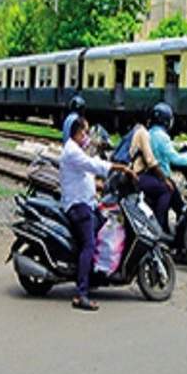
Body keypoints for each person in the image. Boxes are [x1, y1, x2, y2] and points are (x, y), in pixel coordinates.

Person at [60, 116, 134, 312]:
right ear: (77, 132)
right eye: (85, 132)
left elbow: (90, 167)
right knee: (89, 244)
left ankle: (91, 274)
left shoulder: (75, 149)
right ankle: (81, 294)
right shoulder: (72, 152)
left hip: (86, 203)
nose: (87, 136)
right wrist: (121, 168)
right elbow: (93, 165)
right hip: (78, 206)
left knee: (102, 223)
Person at [148, 103, 187, 233]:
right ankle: (166, 229)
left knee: (175, 202)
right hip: (161, 176)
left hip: (152, 175)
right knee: (176, 202)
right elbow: (174, 158)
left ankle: (167, 231)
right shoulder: (162, 137)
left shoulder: (150, 133)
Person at [127, 114, 172, 232]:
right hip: (138, 176)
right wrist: (165, 179)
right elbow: (150, 160)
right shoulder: (143, 133)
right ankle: (158, 227)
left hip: (134, 174)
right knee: (166, 190)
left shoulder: (135, 130)